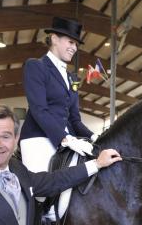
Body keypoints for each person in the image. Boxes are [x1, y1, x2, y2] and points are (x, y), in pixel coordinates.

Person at [20, 17, 96, 180]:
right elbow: (39, 109)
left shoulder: (71, 78)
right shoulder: (36, 66)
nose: (74, 48)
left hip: (70, 140)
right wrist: (65, 138)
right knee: (40, 192)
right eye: (70, 42)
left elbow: (75, 119)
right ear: (54, 39)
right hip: (39, 138)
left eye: (76, 44)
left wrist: (94, 136)